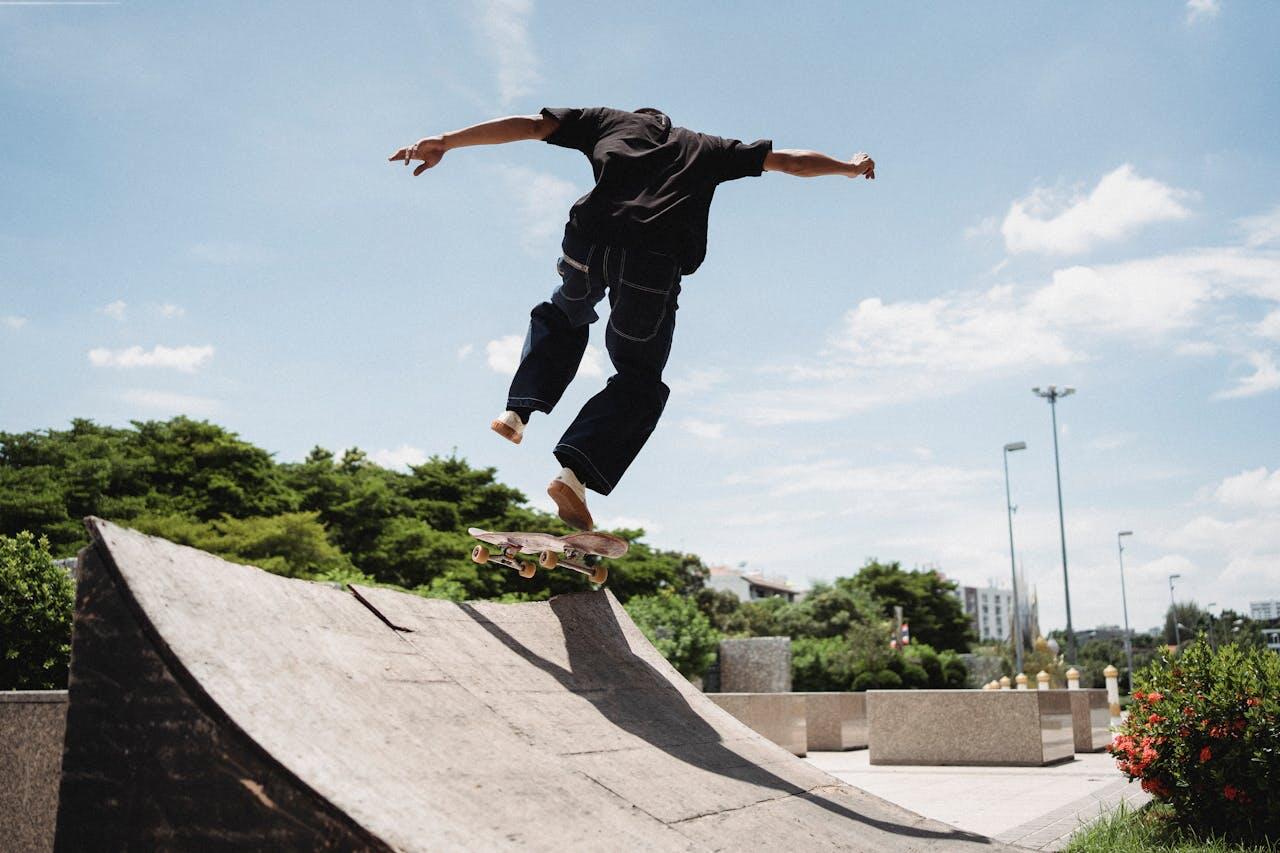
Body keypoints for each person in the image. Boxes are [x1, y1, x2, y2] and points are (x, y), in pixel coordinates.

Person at [390, 107, 874, 530]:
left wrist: (446, 140)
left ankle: (518, 412)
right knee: (639, 376)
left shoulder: (607, 121)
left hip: (588, 245)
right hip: (651, 264)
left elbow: (530, 126)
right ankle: (574, 474)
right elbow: (791, 161)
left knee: (564, 313)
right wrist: (849, 168)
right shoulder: (709, 148)